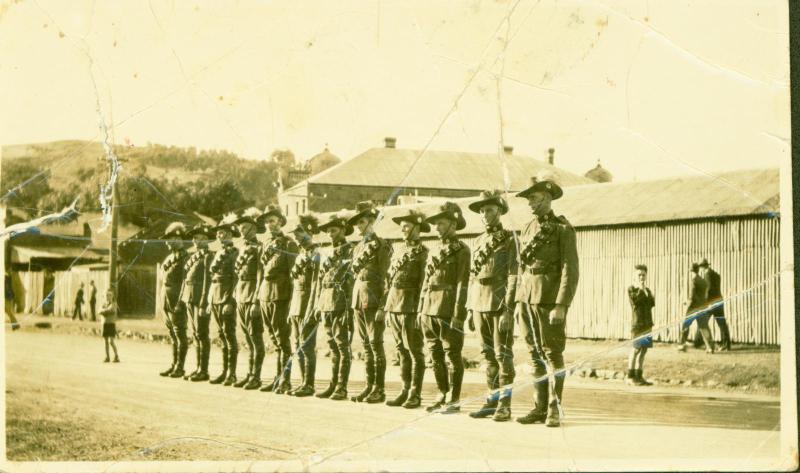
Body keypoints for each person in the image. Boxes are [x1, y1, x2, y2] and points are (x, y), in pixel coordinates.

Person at [514, 173, 579, 427]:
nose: (530, 203)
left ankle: (554, 407)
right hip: (527, 298)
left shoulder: (563, 229)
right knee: (534, 354)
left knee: (552, 354)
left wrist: (561, 305)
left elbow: (570, 269)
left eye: (534, 198)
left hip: (549, 299)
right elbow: (523, 267)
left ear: (548, 197)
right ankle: (538, 408)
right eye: (528, 198)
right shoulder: (528, 228)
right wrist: (519, 299)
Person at [466, 190, 518, 422]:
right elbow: (472, 276)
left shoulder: (509, 239)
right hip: (479, 301)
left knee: (502, 355)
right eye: (482, 211)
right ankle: (492, 400)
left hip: (498, 302)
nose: (485, 214)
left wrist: (508, 309)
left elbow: (513, 276)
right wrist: (469, 308)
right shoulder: (478, 241)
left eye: (489, 210)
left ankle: (505, 405)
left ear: (499, 211)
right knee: (487, 355)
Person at [419, 202, 470, 413]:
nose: (437, 227)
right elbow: (426, 281)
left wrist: (459, 313)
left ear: (452, 224)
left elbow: (462, 283)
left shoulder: (462, 250)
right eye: (436, 224)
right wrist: (421, 309)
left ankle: (454, 399)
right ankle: (442, 393)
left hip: (448, 308)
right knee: (435, 355)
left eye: (441, 223)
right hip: (429, 309)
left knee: (452, 355)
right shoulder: (434, 250)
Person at [384, 209, 429, 409]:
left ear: (417, 228)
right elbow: (389, 281)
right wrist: (387, 307)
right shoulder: (398, 250)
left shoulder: (424, 253)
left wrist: (420, 310)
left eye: (407, 226)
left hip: (411, 306)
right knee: (401, 350)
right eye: (401, 226)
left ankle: (415, 393)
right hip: (395, 304)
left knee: (414, 351)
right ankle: (404, 389)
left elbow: (423, 284)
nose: (403, 229)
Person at [348, 201, 392, 403]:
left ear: (372, 222)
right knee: (366, 346)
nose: (359, 226)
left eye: (362, 222)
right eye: (357, 223)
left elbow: (386, 277)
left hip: (374, 299)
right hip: (359, 299)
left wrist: (383, 305)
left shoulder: (381, 245)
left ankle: (379, 389)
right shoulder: (358, 247)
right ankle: (369, 386)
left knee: (375, 344)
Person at [257, 205, 299, 393]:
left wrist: (291, 301)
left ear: (280, 222)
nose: (269, 225)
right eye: (267, 222)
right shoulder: (265, 244)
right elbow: (261, 271)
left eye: (272, 221)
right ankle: (278, 378)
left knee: (283, 339)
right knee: (274, 338)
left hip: (281, 294)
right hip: (266, 293)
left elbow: (293, 274)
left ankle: (285, 380)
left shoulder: (288, 244)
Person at [313, 214, 355, 400]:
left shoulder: (351, 251)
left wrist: (348, 308)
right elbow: (321, 281)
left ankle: (341, 387)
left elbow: (352, 282)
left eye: (334, 230)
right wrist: (318, 305)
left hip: (342, 303)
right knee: (332, 345)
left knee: (342, 346)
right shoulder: (327, 253)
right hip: (327, 302)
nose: (330, 234)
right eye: (328, 231)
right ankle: (332, 384)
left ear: (343, 230)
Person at [229, 208, 265, 390]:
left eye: (245, 227)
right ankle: (250, 374)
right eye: (240, 228)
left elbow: (260, 274)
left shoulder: (259, 248)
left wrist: (256, 300)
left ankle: (256, 377)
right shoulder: (242, 248)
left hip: (252, 294)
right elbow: (237, 275)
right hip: (241, 294)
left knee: (255, 337)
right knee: (247, 338)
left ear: (253, 228)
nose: (242, 231)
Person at [287, 214, 322, 397]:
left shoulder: (316, 254)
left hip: (308, 305)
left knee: (307, 346)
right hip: (296, 305)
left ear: (309, 231)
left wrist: (311, 310)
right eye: (294, 233)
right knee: (297, 345)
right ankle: (302, 382)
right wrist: (292, 309)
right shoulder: (301, 254)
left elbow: (316, 284)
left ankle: (309, 384)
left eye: (300, 232)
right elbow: (296, 284)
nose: (296, 236)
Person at [208, 213, 240, 386]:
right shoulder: (219, 252)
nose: (220, 236)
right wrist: (210, 299)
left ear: (230, 235)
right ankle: (224, 371)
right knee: (221, 334)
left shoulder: (235, 252)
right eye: (219, 233)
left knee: (229, 334)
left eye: (224, 233)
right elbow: (214, 278)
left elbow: (236, 278)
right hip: (216, 295)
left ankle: (232, 373)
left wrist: (230, 301)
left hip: (227, 295)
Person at [182, 223, 215, 382]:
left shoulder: (208, 256)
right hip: (190, 298)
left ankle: (204, 370)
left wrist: (203, 303)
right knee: (195, 333)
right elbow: (186, 279)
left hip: (199, 299)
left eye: (201, 239)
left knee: (202, 334)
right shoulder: (193, 256)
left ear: (208, 241)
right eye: (195, 238)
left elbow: (207, 281)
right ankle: (197, 368)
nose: (197, 241)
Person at [159, 222, 190, 378]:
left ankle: (180, 367)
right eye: (166, 239)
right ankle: (173, 364)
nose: (167, 242)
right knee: (172, 334)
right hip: (166, 299)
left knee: (180, 334)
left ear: (179, 238)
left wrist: (180, 302)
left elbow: (186, 281)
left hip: (177, 301)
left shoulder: (186, 257)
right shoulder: (169, 257)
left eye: (170, 239)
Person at [626, 264, 654, 386]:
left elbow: (652, 303)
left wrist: (645, 291)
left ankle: (639, 376)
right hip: (637, 324)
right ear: (634, 277)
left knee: (644, 350)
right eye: (639, 275)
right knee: (636, 349)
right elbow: (635, 302)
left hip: (647, 324)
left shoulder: (648, 291)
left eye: (643, 275)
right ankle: (630, 376)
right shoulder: (632, 289)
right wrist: (641, 290)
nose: (641, 277)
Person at [678, 263, 714, 353]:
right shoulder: (703, 281)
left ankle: (682, 345)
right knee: (703, 327)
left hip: (693, 307)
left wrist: (687, 303)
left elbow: (692, 295)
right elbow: (705, 295)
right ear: (698, 270)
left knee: (685, 325)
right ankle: (710, 347)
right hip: (702, 307)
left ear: (691, 271)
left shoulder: (693, 280)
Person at [699, 258, 731, 351]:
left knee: (702, 321)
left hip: (711, 303)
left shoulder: (707, 274)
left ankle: (700, 343)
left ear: (703, 267)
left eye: (701, 267)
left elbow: (709, 289)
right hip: (719, 301)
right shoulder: (716, 275)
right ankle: (726, 344)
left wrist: (705, 302)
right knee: (721, 323)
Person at [100, 289, 120, 363]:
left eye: (110, 295)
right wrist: (104, 311)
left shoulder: (114, 304)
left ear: (112, 296)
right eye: (107, 295)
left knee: (111, 341)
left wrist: (104, 311)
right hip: (105, 324)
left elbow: (111, 310)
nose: (108, 296)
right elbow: (99, 310)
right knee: (105, 341)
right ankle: (107, 357)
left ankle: (116, 356)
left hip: (111, 324)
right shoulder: (104, 304)